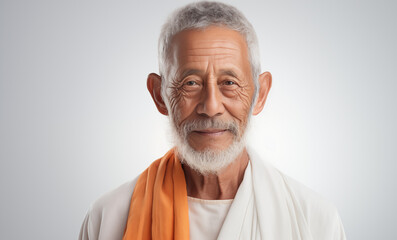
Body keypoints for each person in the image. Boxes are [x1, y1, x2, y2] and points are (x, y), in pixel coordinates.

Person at [79, 1, 346, 240]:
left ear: (260, 94)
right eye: (191, 83)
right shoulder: (109, 217)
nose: (211, 107)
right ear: (159, 95)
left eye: (229, 83)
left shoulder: (315, 221)